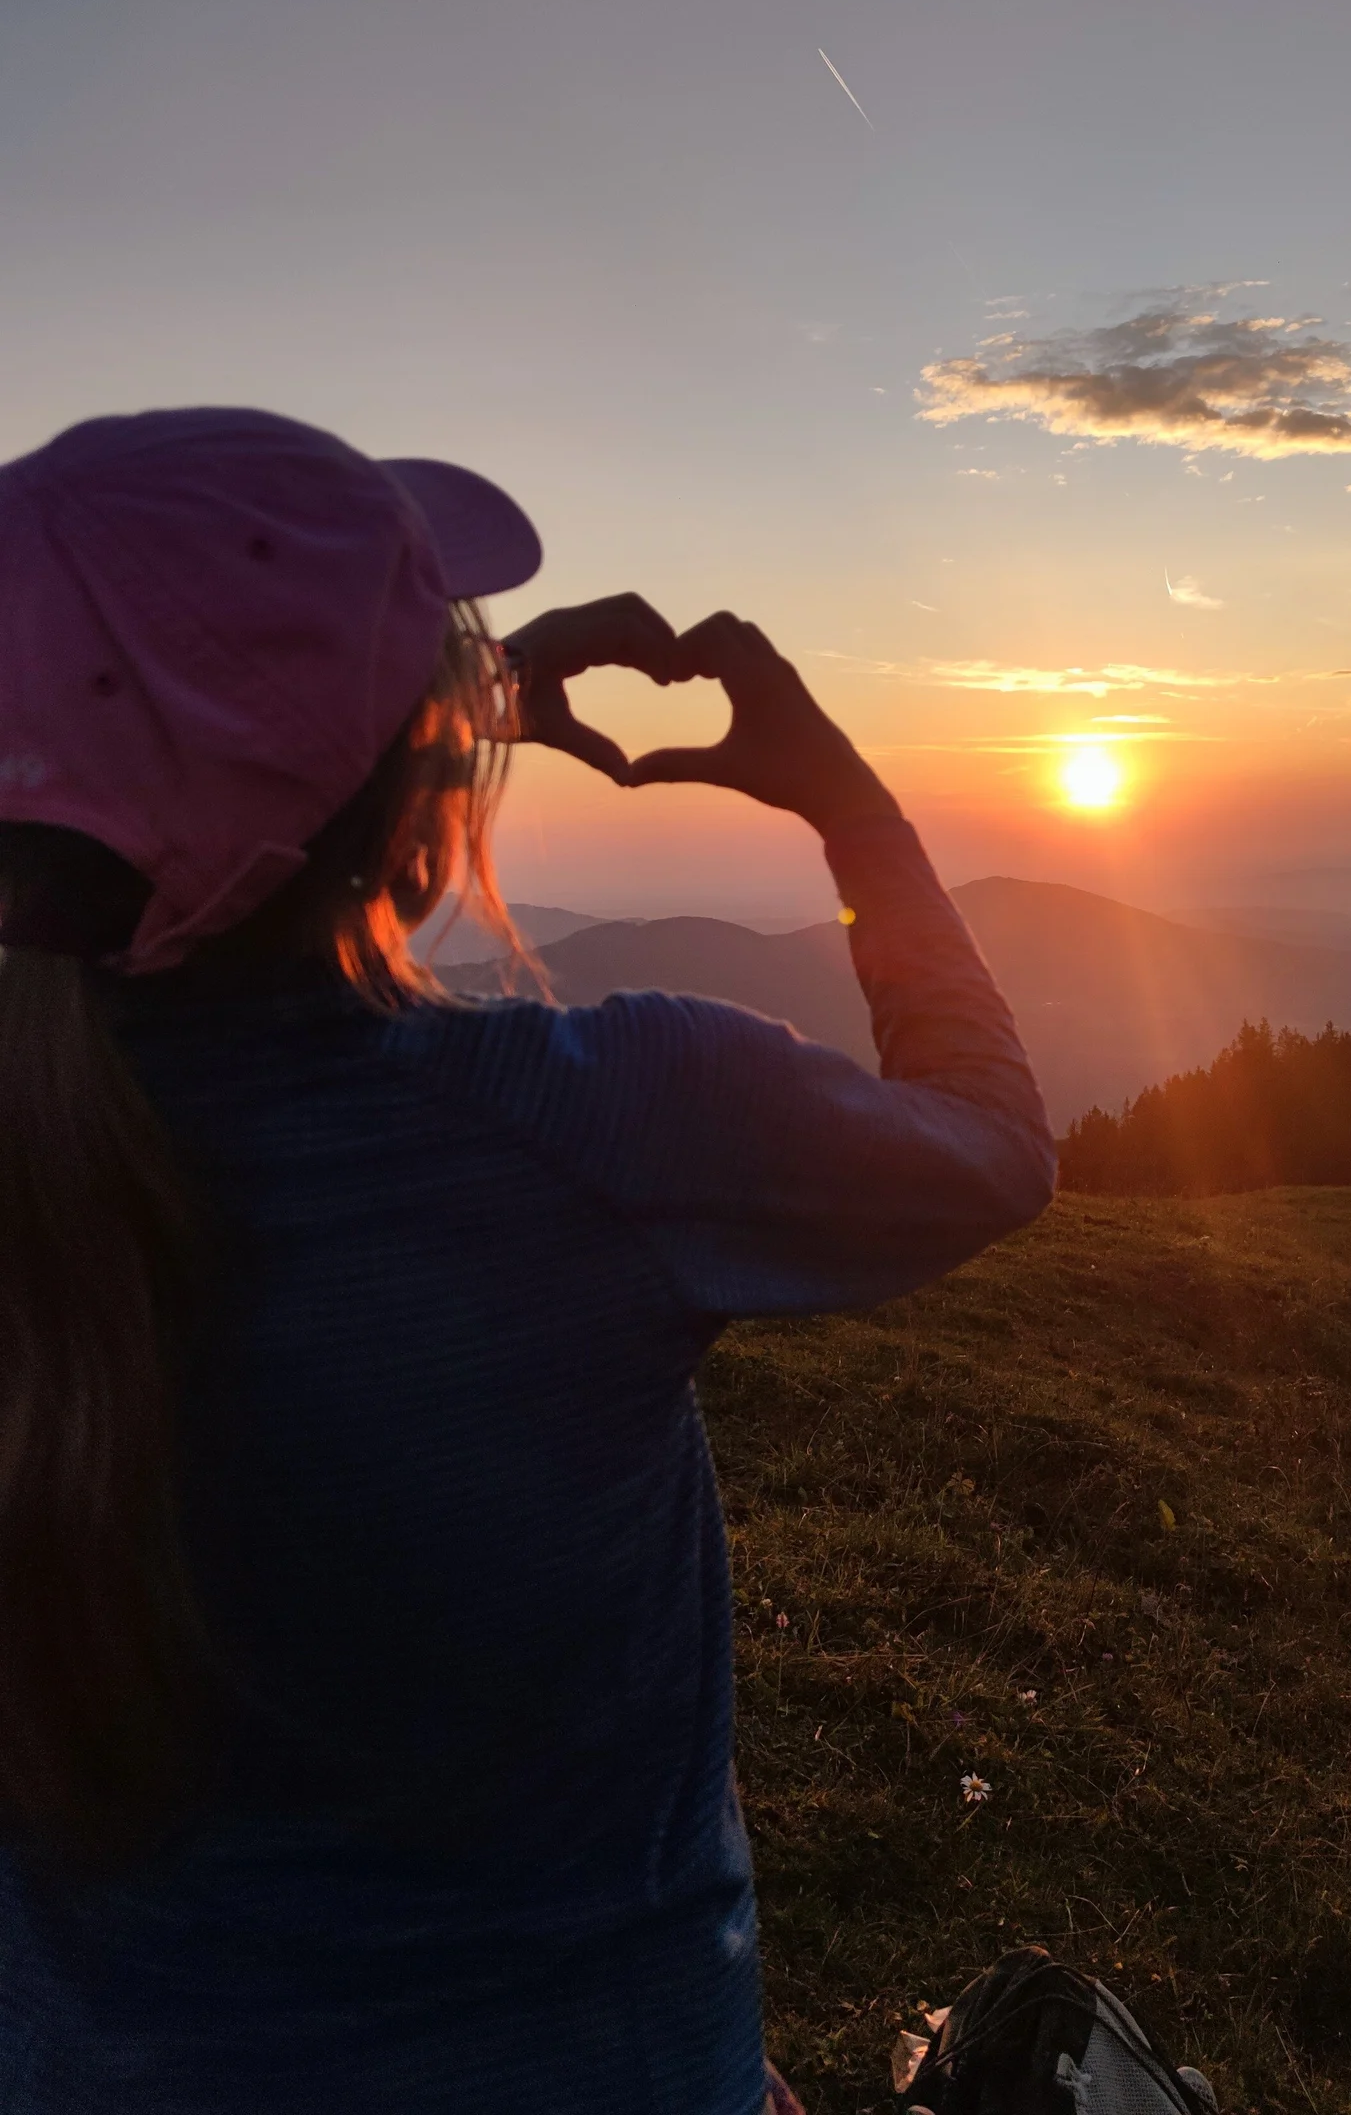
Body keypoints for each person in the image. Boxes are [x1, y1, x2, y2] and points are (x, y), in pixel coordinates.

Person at [0, 405, 1055, 2114]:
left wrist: (442, 714)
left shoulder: (45, 1168)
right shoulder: (609, 1122)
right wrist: (841, 795)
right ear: (419, 814)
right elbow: (993, 1142)